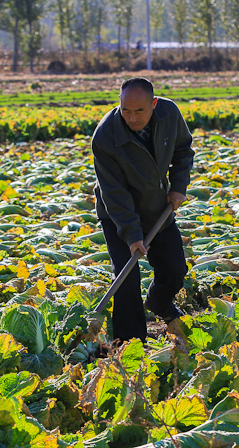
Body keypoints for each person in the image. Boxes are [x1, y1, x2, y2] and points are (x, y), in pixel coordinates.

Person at [91, 77, 194, 343]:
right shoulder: (105, 136)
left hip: (158, 206)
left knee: (174, 270)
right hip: (118, 214)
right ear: (119, 104)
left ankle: (159, 302)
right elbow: (114, 193)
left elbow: (183, 150)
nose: (132, 118)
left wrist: (179, 186)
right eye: (126, 110)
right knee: (126, 279)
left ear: (154, 104)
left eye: (140, 111)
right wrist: (132, 235)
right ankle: (129, 343)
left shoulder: (169, 113)